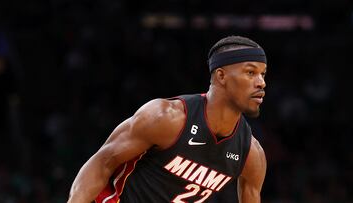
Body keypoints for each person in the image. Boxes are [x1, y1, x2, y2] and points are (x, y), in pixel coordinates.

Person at [67, 35, 267, 203]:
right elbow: (101, 164)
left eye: (263, 74)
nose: (261, 82)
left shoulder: (251, 153)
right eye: (251, 72)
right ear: (221, 76)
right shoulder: (166, 118)